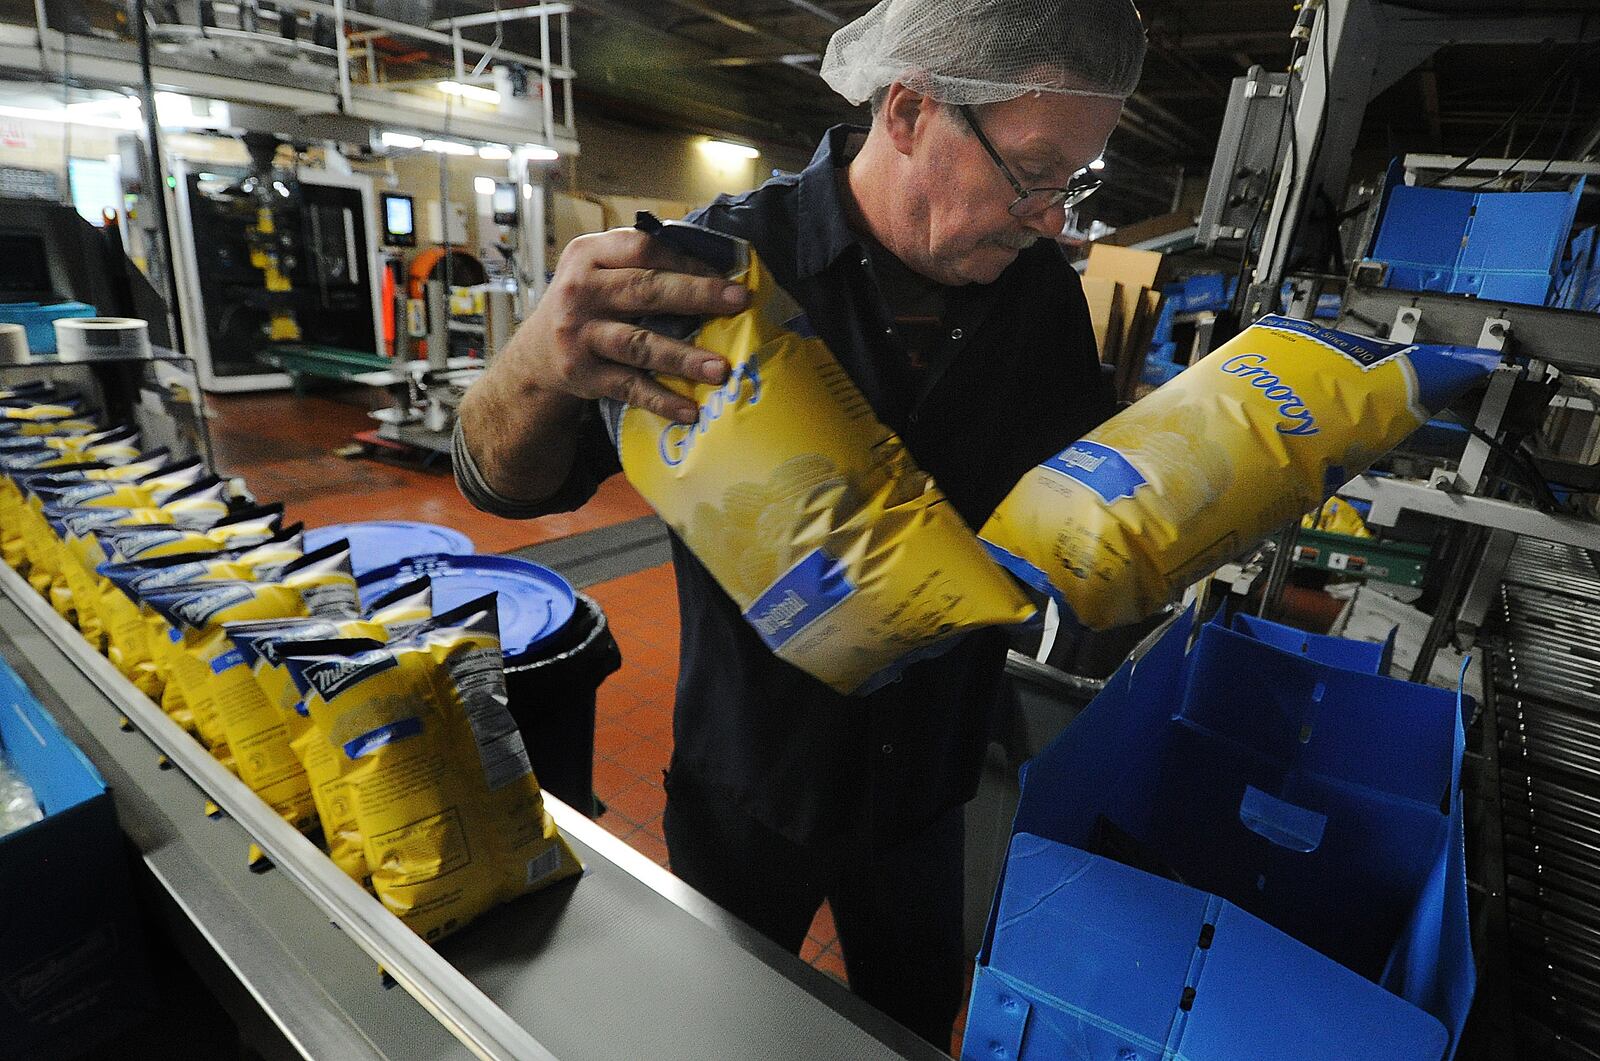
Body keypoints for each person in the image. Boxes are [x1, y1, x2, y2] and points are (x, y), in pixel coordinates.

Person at [455, 0, 1146, 1046]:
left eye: (1072, 183)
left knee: (909, 1024)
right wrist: (531, 367)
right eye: (1034, 172)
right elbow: (500, 483)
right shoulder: (716, 270)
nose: (1052, 216)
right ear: (912, 111)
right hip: (750, 787)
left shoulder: (1039, 296)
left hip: (927, 786)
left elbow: (1072, 488)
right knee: (724, 1032)